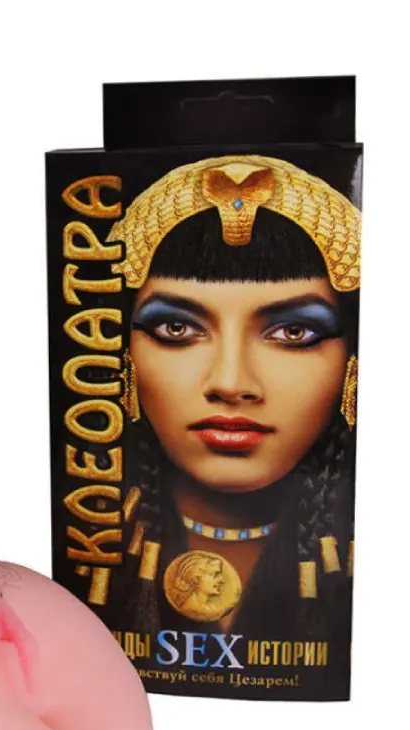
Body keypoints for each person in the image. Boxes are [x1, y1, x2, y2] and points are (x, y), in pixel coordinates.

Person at [103, 156, 360, 649]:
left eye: (293, 331)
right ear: (124, 356)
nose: (230, 383)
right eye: (176, 328)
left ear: (352, 363)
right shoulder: (89, 550)